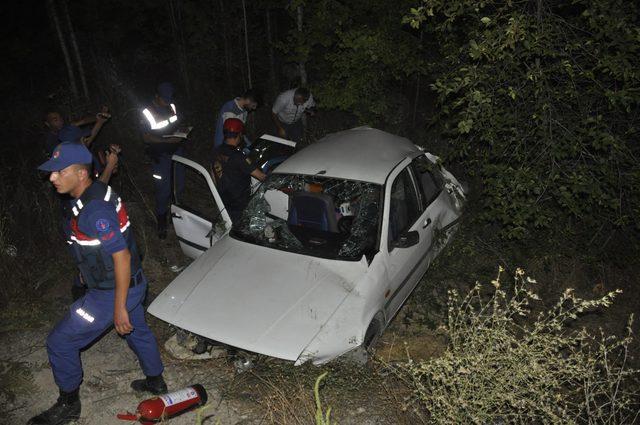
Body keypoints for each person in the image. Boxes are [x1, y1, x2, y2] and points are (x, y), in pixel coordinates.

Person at [29, 142, 167, 425]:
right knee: (137, 331)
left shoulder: (95, 211)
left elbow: (121, 255)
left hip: (112, 292)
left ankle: (68, 404)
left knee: (60, 341)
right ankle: (156, 381)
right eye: (50, 172)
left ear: (81, 173)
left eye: (58, 172)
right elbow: (98, 248)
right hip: (133, 284)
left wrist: (118, 308)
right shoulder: (95, 190)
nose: (51, 177)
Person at [140, 82, 185, 239]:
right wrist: (167, 142)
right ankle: (161, 221)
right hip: (159, 156)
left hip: (177, 152)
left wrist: (182, 134)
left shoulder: (172, 106)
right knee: (163, 190)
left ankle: (175, 216)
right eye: (164, 99)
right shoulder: (147, 112)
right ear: (157, 96)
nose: (167, 102)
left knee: (178, 186)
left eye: (169, 99)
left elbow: (175, 125)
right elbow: (146, 137)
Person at [213, 118, 266, 223]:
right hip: (239, 204)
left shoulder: (216, 150)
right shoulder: (239, 157)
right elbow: (261, 177)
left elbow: (213, 174)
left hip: (223, 200)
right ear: (239, 134)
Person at [43, 108, 111, 157]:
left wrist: (99, 116)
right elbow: (85, 144)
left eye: (60, 117)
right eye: (55, 119)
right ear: (47, 124)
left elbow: (81, 122)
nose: (60, 121)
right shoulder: (51, 142)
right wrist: (100, 122)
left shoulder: (64, 129)